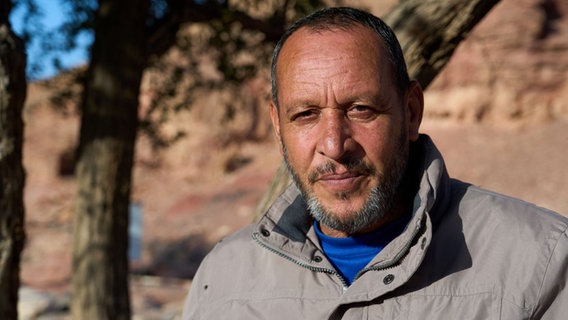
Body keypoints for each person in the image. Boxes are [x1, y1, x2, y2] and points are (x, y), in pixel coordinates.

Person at [182, 7, 568, 319]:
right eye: (305, 115)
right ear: (277, 126)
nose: (334, 145)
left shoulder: (540, 262)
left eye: (361, 109)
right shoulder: (223, 281)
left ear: (411, 111)